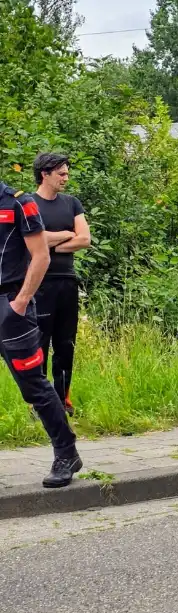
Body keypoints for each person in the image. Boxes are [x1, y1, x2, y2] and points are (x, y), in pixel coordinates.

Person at [0, 180, 80, 488]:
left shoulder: (19, 203)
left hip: (11, 306)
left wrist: (19, 303)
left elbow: (41, 256)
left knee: (33, 384)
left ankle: (66, 453)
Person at [31, 153, 90, 416]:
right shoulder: (28, 204)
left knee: (66, 344)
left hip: (67, 282)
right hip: (39, 283)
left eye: (67, 173)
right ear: (45, 174)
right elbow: (31, 239)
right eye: (61, 174)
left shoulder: (72, 203)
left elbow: (84, 239)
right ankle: (39, 404)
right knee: (39, 343)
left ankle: (63, 399)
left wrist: (48, 246)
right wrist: (63, 236)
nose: (66, 178)